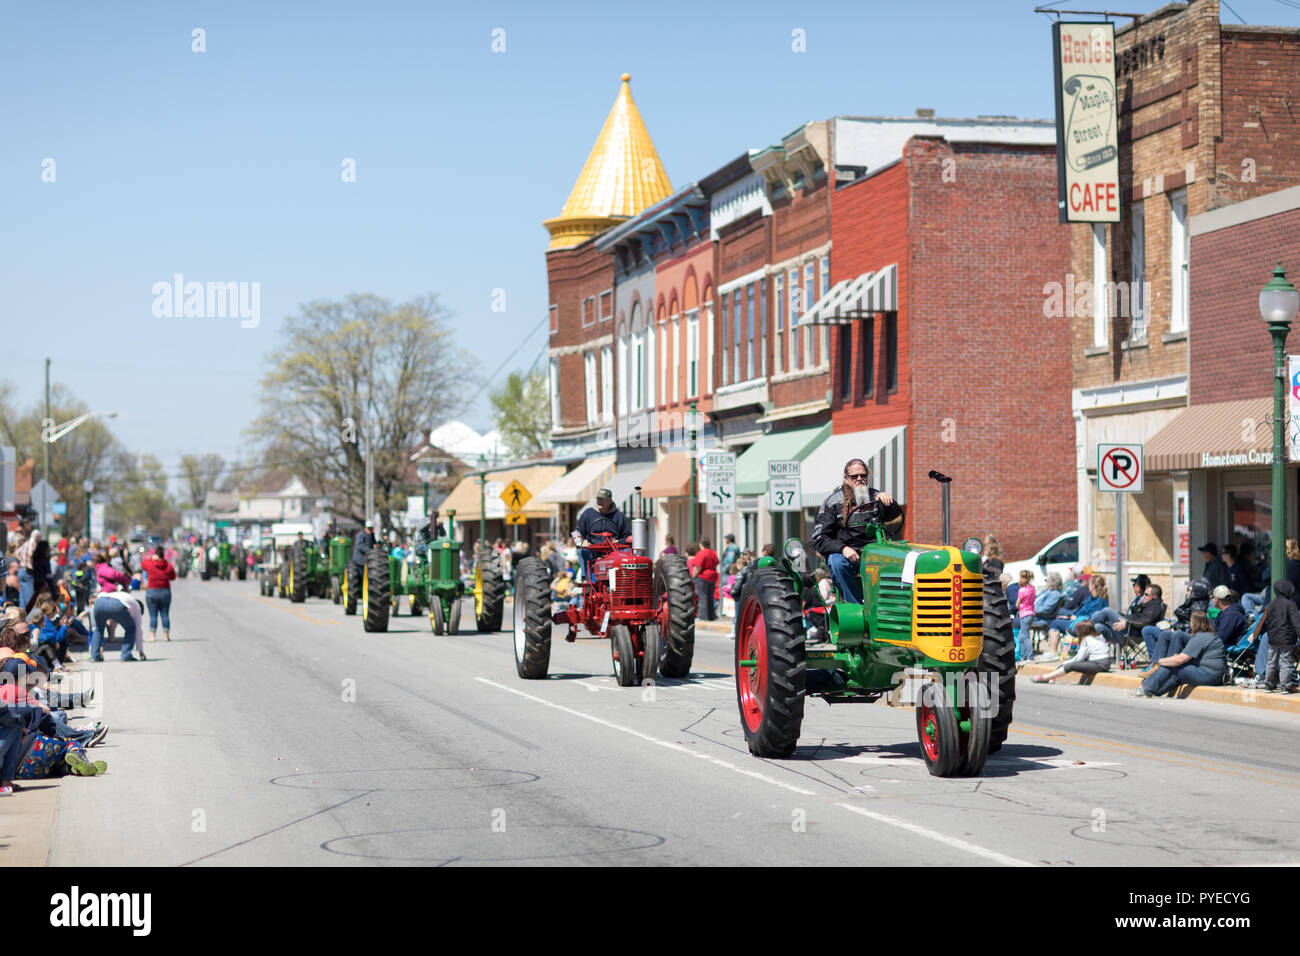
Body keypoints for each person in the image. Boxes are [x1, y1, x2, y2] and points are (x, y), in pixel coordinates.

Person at [811, 458, 900, 605]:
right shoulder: (833, 503)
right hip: (846, 556)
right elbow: (819, 538)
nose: (860, 479)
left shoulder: (876, 497)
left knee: (903, 560)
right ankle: (856, 608)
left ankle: (893, 606)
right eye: (854, 476)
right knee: (836, 562)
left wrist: (888, 502)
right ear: (846, 479)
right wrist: (843, 548)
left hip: (874, 553)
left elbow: (894, 518)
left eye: (863, 475)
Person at [1131, 609, 1227, 698]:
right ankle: (1155, 691)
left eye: (1191, 621)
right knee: (1176, 674)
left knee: (1173, 666)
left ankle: (1145, 688)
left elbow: (1179, 660)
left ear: (1194, 623)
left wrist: (1161, 661)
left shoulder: (1200, 638)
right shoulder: (1208, 635)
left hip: (1209, 675)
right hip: (1213, 675)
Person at [1244, 578, 1300, 693]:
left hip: (1272, 639)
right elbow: (1296, 623)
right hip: (1287, 639)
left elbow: (1261, 622)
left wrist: (1254, 635)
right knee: (1285, 662)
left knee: (1271, 662)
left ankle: (1268, 685)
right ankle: (1285, 686)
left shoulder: (1271, 605)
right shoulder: (1291, 605)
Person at [1040, 574, 1109, 661]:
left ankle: (1055, 651)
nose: (1088, 585)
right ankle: (1053, 651)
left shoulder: (1100, 600)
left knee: (1055, 623)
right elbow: (1080, 608)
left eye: (1090, 584)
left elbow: (1094, 617)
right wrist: (1074, 615)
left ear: (1093, 586)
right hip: (1076, 619)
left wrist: (1077, 617)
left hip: (1084, 624)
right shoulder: (1090, 597)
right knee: (1058, 617)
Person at [573, 488, 631, 586]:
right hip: (593, 549)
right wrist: (582, 542)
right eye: (598, 499)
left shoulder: (619, 516)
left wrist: (619, 541)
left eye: (603, 499)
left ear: (609, 501)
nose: (599, 501)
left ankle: (625, 581)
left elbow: (628, 536)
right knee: (582, 551)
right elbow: (576, 532)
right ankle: (587, 580)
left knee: (627, 554)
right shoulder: (588, 513)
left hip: (613, 550)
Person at [1031, 620, 1110, 683]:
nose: (1076, 632)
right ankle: (1051, 677)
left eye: (1078, 630)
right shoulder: (1098, 637)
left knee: (1070, 666)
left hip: (1100, 664)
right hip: (1103, 663)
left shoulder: (1086, 640)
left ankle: (1045, 677)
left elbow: (1079, 659)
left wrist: (1066, 663)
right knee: (1070, 662)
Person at [141, 545, 176, 642]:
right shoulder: (168, 565)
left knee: (153, 615)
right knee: (165, 614)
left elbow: (143, 564)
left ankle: (152, 636)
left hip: (152, 591)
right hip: (165, 591)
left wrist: (151, 558)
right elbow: (173, 577)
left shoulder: (150, 563)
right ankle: (166, 636)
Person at [689, 538, 720, 620]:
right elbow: (716, 563)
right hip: (712, 576)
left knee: (702, 597)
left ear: (701, 545)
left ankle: (702, 616)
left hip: (703, 577)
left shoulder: (701, 553)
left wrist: (692, 576)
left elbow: (698, 567)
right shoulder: (714, 553)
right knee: (710, 597)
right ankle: (711, 616)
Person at [1013, 570, 1036, 661]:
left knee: (1025, 636)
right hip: (1031, 613)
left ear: (1022, 579)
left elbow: (1017, 605)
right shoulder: (1032, 588)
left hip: (1024, 614)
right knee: (1022, 635)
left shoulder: (1021, 590)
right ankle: (1023, 655)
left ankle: (1030, 656)